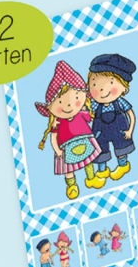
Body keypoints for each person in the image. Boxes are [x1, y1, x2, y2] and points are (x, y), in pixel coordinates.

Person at [36, 60, 102, 199]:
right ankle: (72, 185)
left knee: (88, 161)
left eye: (76, 97)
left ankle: (91, 178)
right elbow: (53, 137)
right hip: (65, 147)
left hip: (85, 140)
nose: (69, 105)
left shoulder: (82, 113)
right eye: (60, 102)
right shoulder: (57, 122)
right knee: (68, 169)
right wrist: (57, 150)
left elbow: (91, 118)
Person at [88, 52, 137, 182]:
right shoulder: (93, 104)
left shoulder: (120, 102)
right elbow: (87, 115)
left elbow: (131, 114)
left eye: (110, 83)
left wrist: (130, 130)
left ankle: (123, 166)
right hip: (100, 131)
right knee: (100, 150)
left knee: (121, 147)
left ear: (124, 88)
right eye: (94, 84)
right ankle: (102, 171)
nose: (101, 89)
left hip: (119, 129)